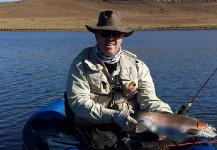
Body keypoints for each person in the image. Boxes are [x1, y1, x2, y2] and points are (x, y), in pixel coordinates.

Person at [65, 10, 173, 149]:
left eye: (115, 34)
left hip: (131, 124)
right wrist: (114, 116)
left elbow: (148, 99)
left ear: (122, 37)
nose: (111, 38)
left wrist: (167, 115)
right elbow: (79, 103)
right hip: (94, 126)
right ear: (96, 36)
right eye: (105, 33)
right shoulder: (80, 65)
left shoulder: (137, 66)